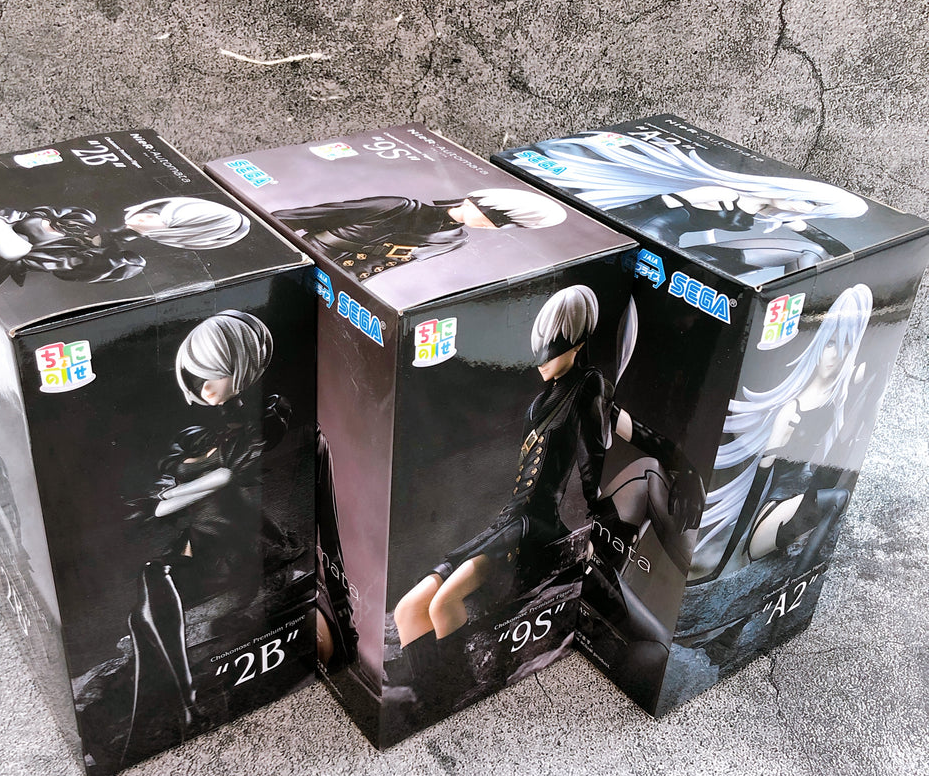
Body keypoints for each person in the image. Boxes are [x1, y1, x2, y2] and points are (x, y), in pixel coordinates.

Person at [392, 285, 704, 711]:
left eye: (552, 345)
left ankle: (450, 697)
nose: (540, 356)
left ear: (576, 342)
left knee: (444, 603)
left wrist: (682, 466)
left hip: (536, 530)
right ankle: (433, 698)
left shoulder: (590, 385)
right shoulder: (538, 405)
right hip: (507, 524)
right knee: (408, 609)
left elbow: (603, 455)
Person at [122, 310, 301, 761]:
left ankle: (184, 707)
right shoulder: (196, 433)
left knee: (151, 586)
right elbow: (174, 477)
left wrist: (164, 501)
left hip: (237, 543)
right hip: (203, 541)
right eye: (194, 376)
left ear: (240, 364)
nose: (201, 387)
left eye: (210, 374)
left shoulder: (265, 416)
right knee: (141, 614)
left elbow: (224, 477)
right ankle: (176, 711)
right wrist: (167, 494)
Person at [693, 283, 873, 580]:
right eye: (831, 344)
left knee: (833, 496)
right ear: (820, 343)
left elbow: (873, 367)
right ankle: (797, 581)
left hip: (803, 503)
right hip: (773, 516)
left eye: (844, 347)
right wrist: (727, 560)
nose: (835, 356)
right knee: (838, 498)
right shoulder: (792, 411)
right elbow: (758, 486)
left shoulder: (838, 396)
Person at [513, 132, 867, 280]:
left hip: (665, 248)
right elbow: (650, 209)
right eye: (809, 200)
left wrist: (805, 220)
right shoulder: (725, 191)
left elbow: (836, 249)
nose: (804, 209)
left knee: (810, 253)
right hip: (651, 235)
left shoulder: (767, 211)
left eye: (817, 208)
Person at [273, 187, 567, 282]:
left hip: (338, 285)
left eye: (506, 225)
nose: (494, 226)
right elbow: (291, 219)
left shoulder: (454, 239)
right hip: (299, 264)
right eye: (496, 217)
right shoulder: (396, 206)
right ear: (475, 201)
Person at [0, 196, 250, 286]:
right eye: (160, 210)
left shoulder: (117, 262)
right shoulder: (81, 215)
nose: (148, 217)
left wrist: (1, 225)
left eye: (166, 223)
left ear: (176, 236)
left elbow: (19, 252)